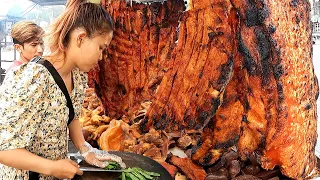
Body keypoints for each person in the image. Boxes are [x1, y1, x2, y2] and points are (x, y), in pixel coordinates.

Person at [0, 0, 125, 179]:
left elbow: (70, 114)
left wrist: (84, 148)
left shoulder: (79, 76)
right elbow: (4, 150)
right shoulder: (33, 78)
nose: (101, 56)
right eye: (101, 48)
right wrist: (51, 167)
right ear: (81, 38)